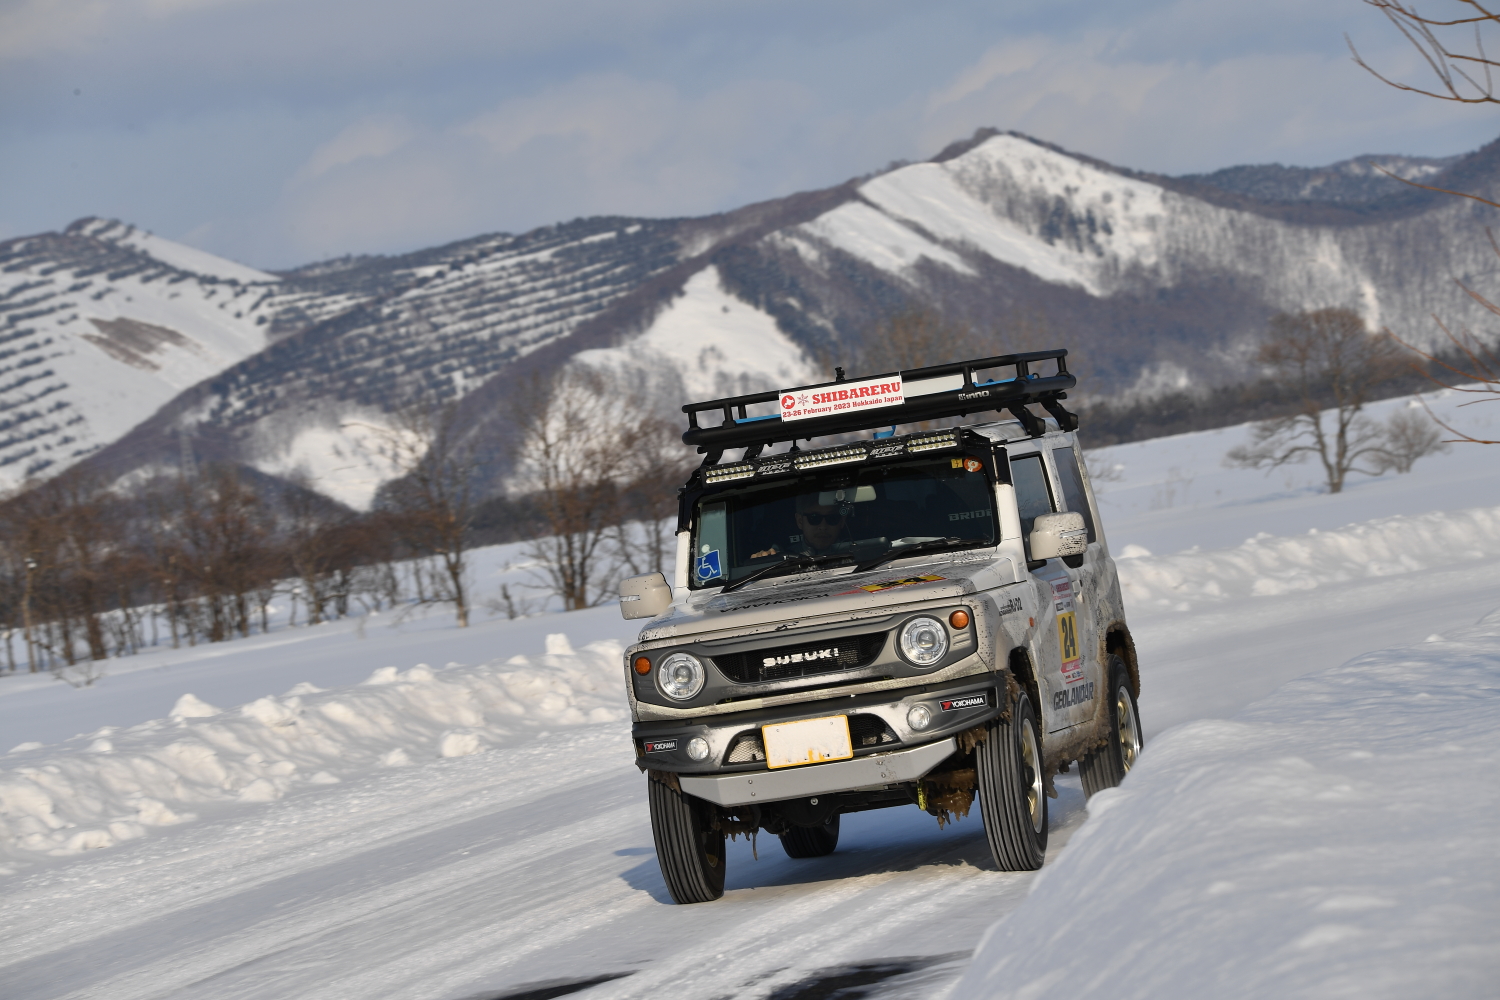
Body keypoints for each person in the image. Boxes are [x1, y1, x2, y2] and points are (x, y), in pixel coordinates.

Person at [752, 492, 849, 558]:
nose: (823, 526)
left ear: (842, 521)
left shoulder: (857, 554)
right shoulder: (782, 557)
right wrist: (764, 559)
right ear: (800, 521)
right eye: (814, 518)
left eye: (832, 518)